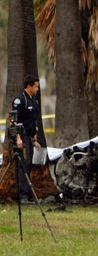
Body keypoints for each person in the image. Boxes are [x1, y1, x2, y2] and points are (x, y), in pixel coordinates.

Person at [11, 75, 41, 204]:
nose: (37, 89)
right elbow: (14, 120)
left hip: (29, 137)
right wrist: (18, 138)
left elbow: (33, 121)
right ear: (29, 86)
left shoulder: (34, 101)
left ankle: (28, 194)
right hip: (21, 138)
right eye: (35, 86)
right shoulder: (20, 99)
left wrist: (35, 139)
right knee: (24, 164)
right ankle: (23, 195)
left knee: (29, 164)